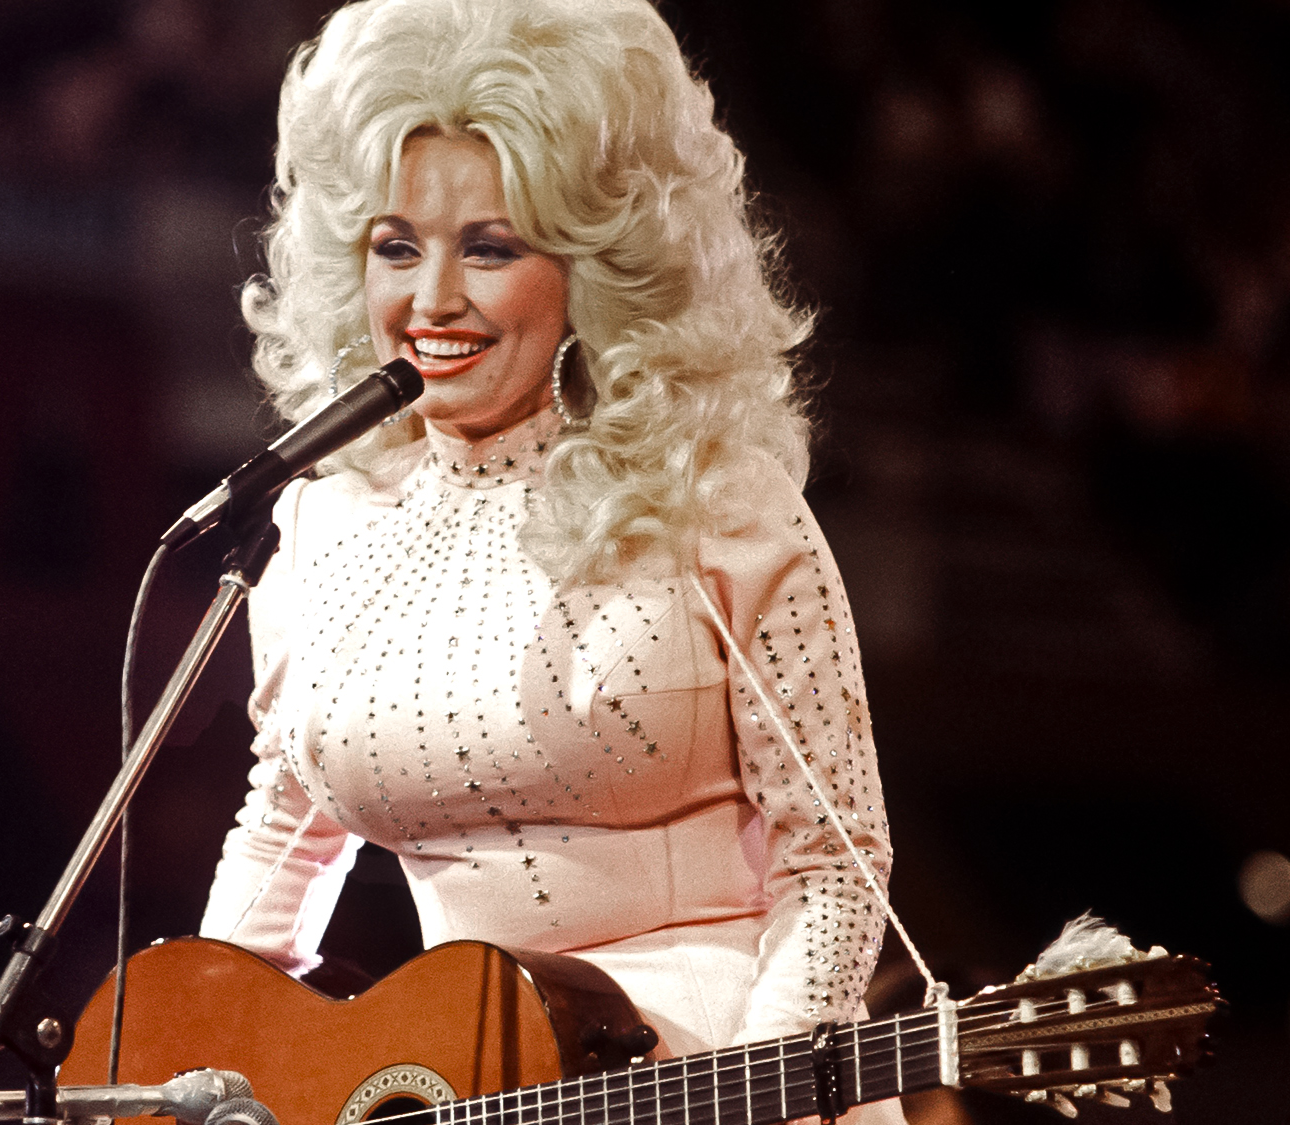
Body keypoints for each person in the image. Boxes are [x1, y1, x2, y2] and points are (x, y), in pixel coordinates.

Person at [198, 2, 900, 1120]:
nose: (430, 301)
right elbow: (283, 825)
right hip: (455, 1090)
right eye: (394, 246)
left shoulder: (715, 506)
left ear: (592, 266)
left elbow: (835, 864)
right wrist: (203, 1066)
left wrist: (757, 1093)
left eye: (488, 247)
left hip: (719, 1081)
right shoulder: (322, 527)